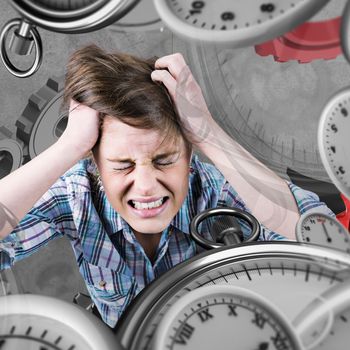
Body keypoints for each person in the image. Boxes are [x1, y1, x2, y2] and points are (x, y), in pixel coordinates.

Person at [0, 44, 334, 328]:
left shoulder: (213, 187)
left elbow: (325, 244)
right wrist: (69, 146)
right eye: (122, 165)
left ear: (190, 157)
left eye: (163, 161)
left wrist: (207, 131)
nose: (145, 187)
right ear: (95, 166)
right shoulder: (76, 195)